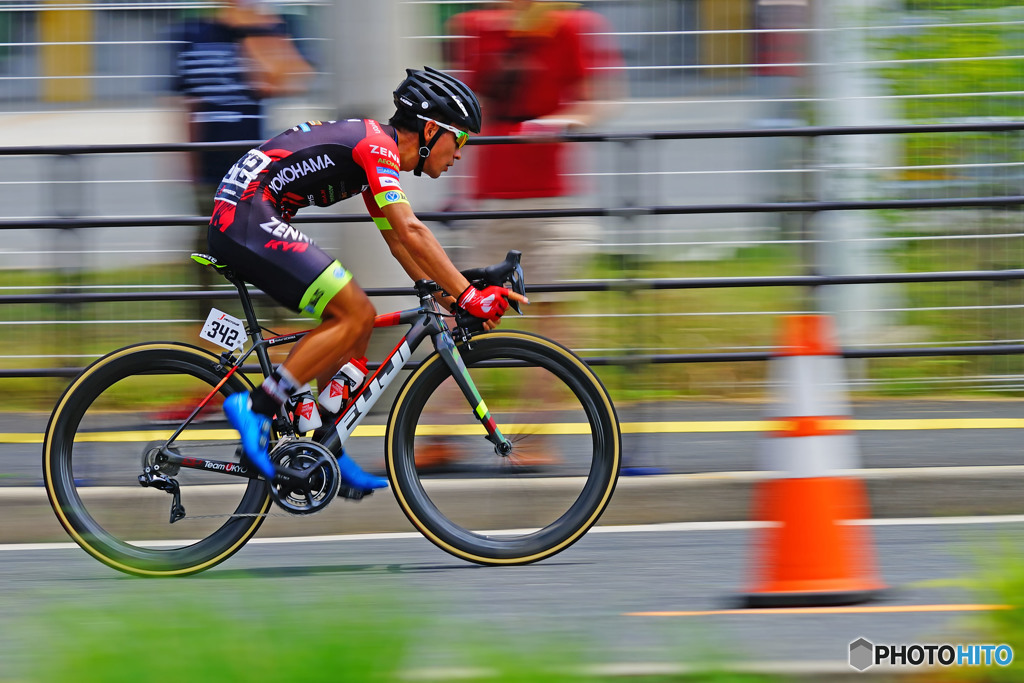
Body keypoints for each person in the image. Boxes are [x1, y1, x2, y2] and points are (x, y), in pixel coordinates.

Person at [207, 67, 527, 493]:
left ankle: (325, 448)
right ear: (432, 129)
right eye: (461, 139)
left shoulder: (374, 150)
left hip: (249, 216)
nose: (461, 154)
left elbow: (397, 240)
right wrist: (468, 295)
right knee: (356, 313)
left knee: (352, 324)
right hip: (246, 218)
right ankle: (257, 406)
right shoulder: (377, 147)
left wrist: (446, 299)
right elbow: (413, 229)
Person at [415, 0, 623, 469]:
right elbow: (459, 98)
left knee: (553, 313)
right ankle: (438, 431)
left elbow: (601, 98)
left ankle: (537, 434)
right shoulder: (474, 28)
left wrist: (565, 121)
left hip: (551, 200)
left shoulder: (571, 27)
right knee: (465, 312)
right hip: (491, 198)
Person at [171, 0, 311, 311]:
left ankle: (273, 328)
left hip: (252, 167)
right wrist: (188, 164)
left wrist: (248, 29)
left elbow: (274, 81)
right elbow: (186, 103)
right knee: (204, 249)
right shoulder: (192, 33)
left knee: (262, 244)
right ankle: (203, 327)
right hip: (207, 164)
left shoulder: (266, 28)